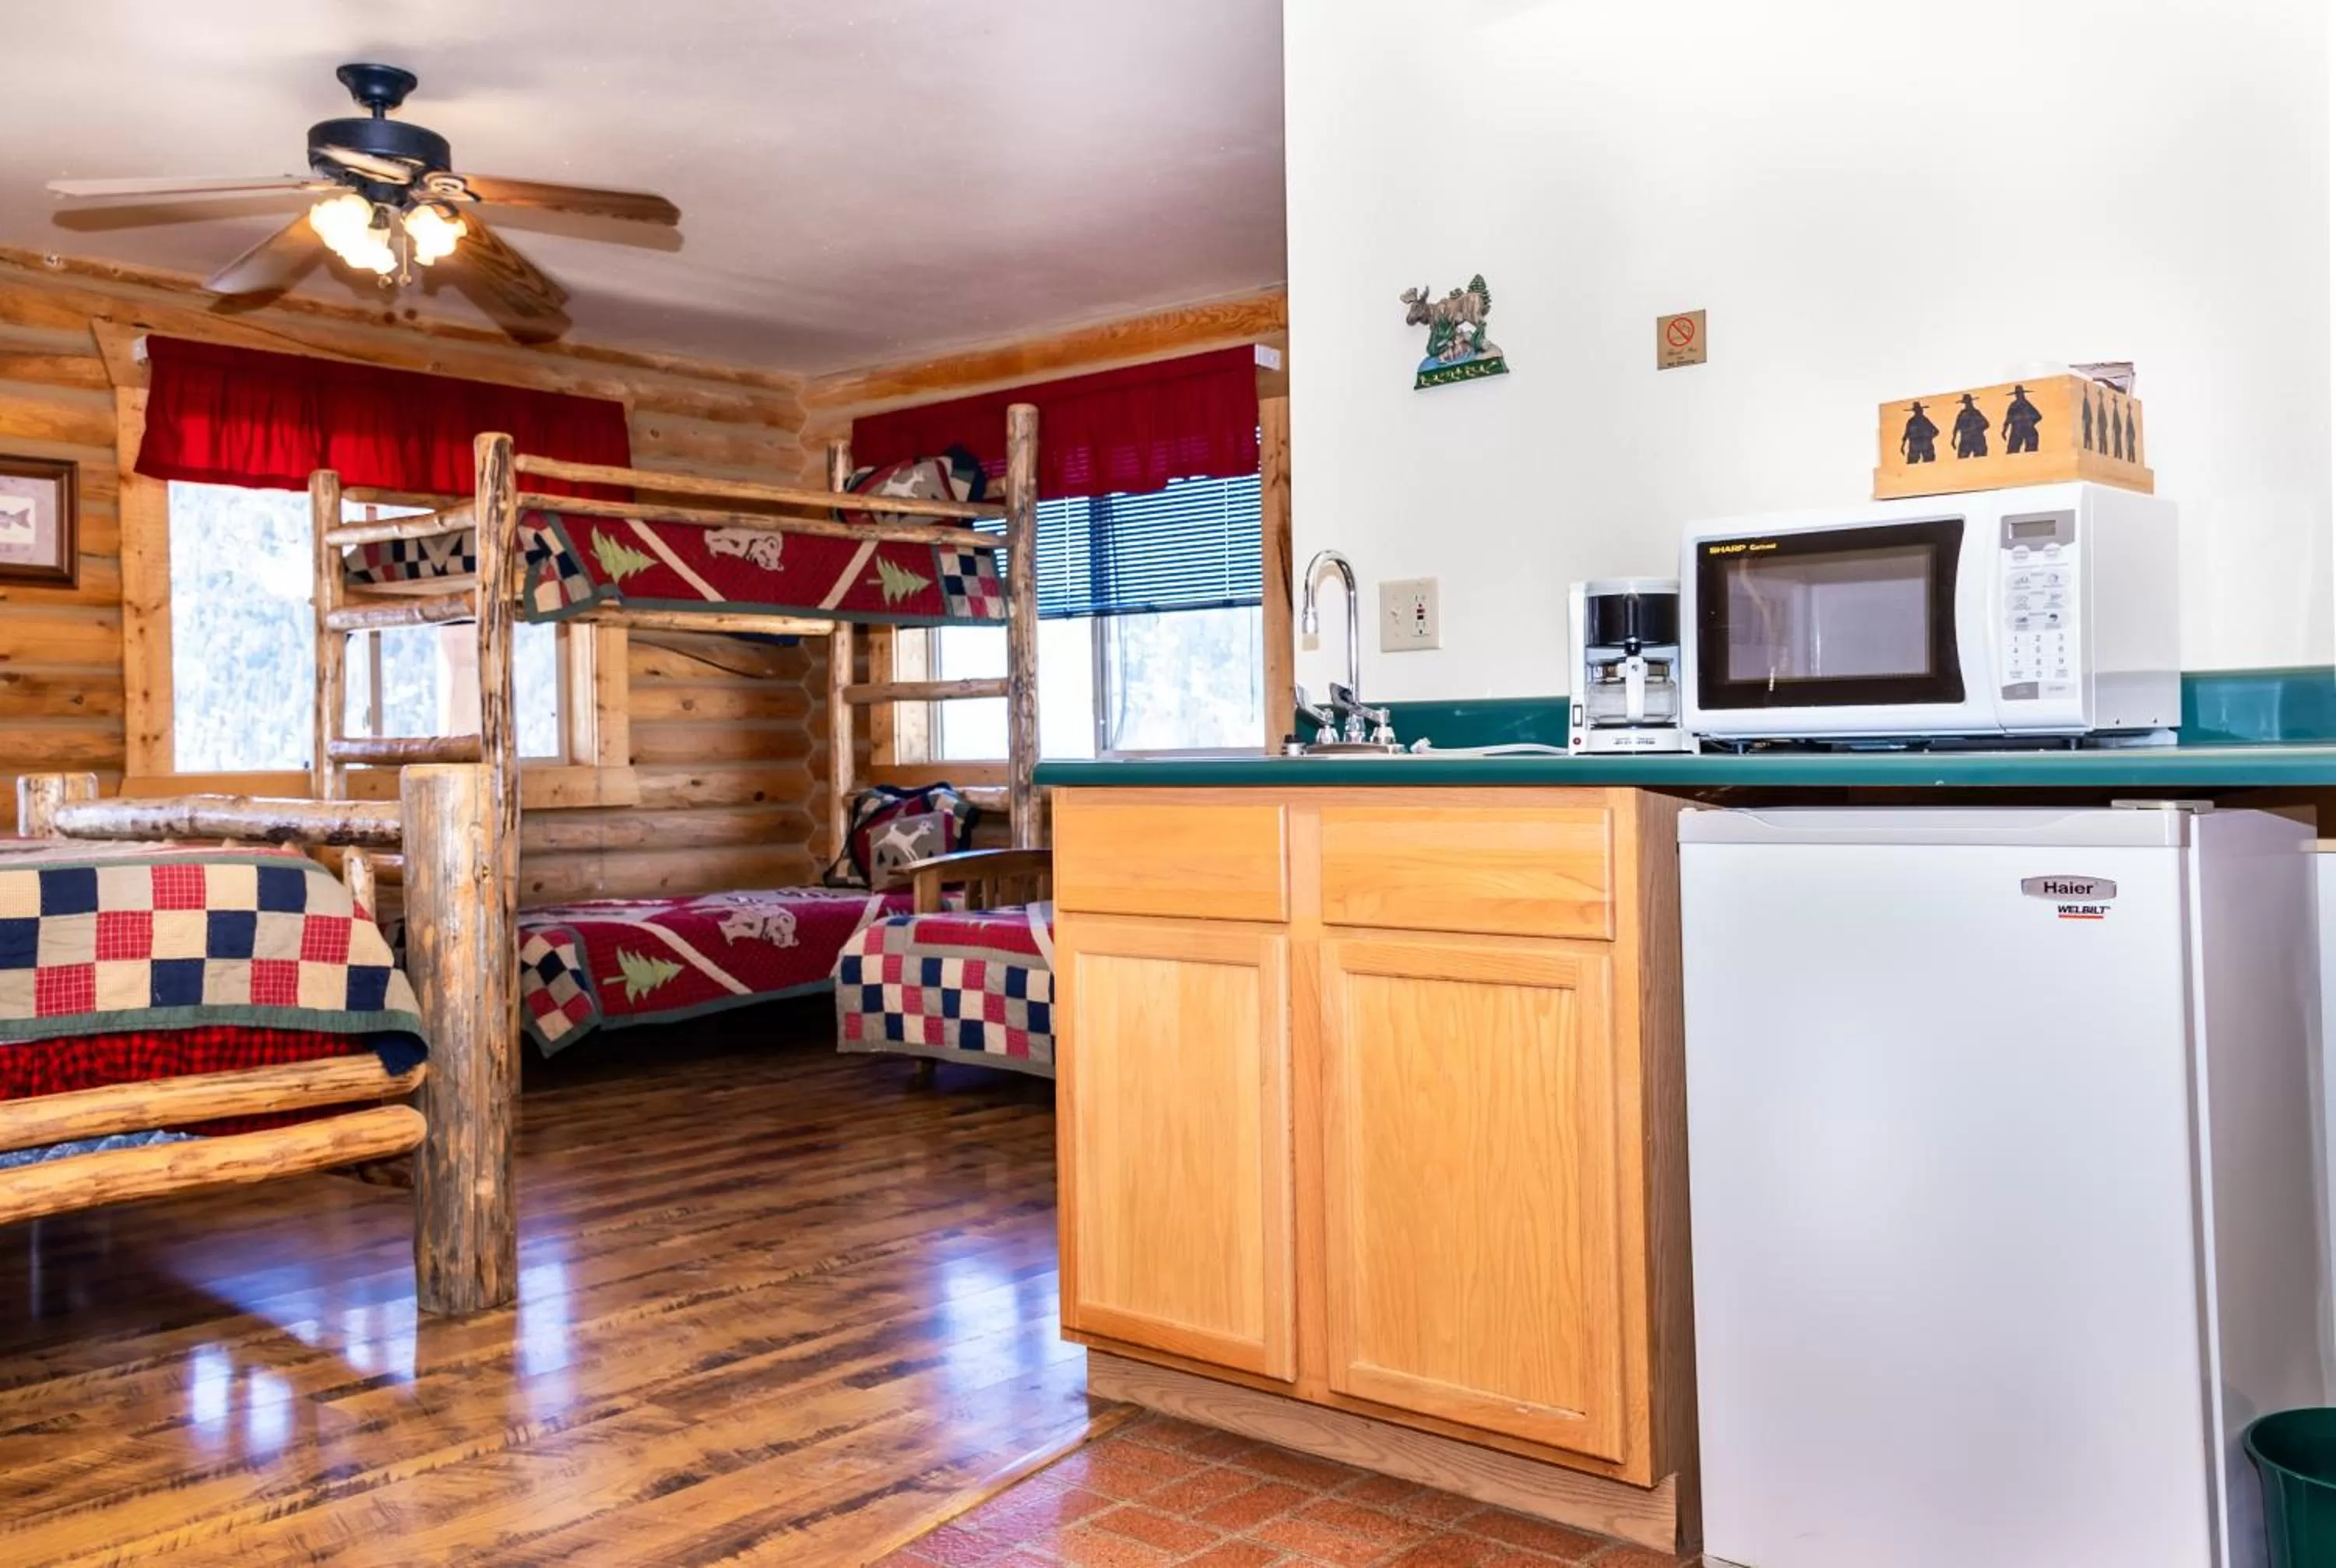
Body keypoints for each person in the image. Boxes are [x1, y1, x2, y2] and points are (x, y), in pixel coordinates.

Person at [2003, 385, 2042, 454]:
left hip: (2028, 430)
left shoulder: (2027, 405)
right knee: (2012, 451)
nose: (2019, 395)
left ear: (2023, 394)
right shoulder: (2013, 406)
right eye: (2017, 394)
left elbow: (2038, 416)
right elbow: (2008, 419)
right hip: (2017, 430)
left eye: (2020, 393)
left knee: (2031, 451)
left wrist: (2031, 423)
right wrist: (2004, 431)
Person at [1951, 393, 1990, 459]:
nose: (1968, 404)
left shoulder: (1976, 413)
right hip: (1966, 441)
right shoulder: (1962, 414)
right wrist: (1953, 439)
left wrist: (1977, 429)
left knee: (1980, 459)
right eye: (1966, 403)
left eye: (1969, 402)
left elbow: (1986, 424)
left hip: (1977, 440)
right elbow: (1956, 427)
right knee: (1962, 460)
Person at [1900, 400, 1939, 464]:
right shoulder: (1913, 421)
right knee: (1914, 463)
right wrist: (1930, 437)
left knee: (1928, 463)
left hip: (1921, 444)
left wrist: (1930, 437)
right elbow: (1906, 434)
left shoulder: (1915, 421)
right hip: (1919, 445)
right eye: (1919, 410)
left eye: (1920, 410)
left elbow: (1937, 431)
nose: (1921, 411)